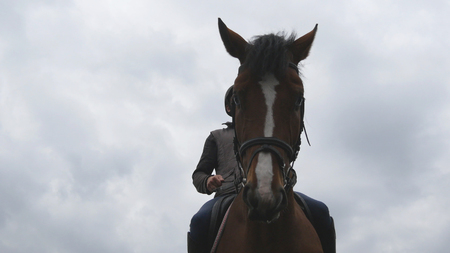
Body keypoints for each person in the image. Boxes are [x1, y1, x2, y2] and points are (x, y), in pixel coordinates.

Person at [188, 86, 336, 253]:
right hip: (228, 194)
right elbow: (199, 174)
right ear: (229, 108)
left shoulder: (266, 127)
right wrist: (207, 181)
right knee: (199, 221)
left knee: (321, 212)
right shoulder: (216, 136)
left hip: (278, 189)